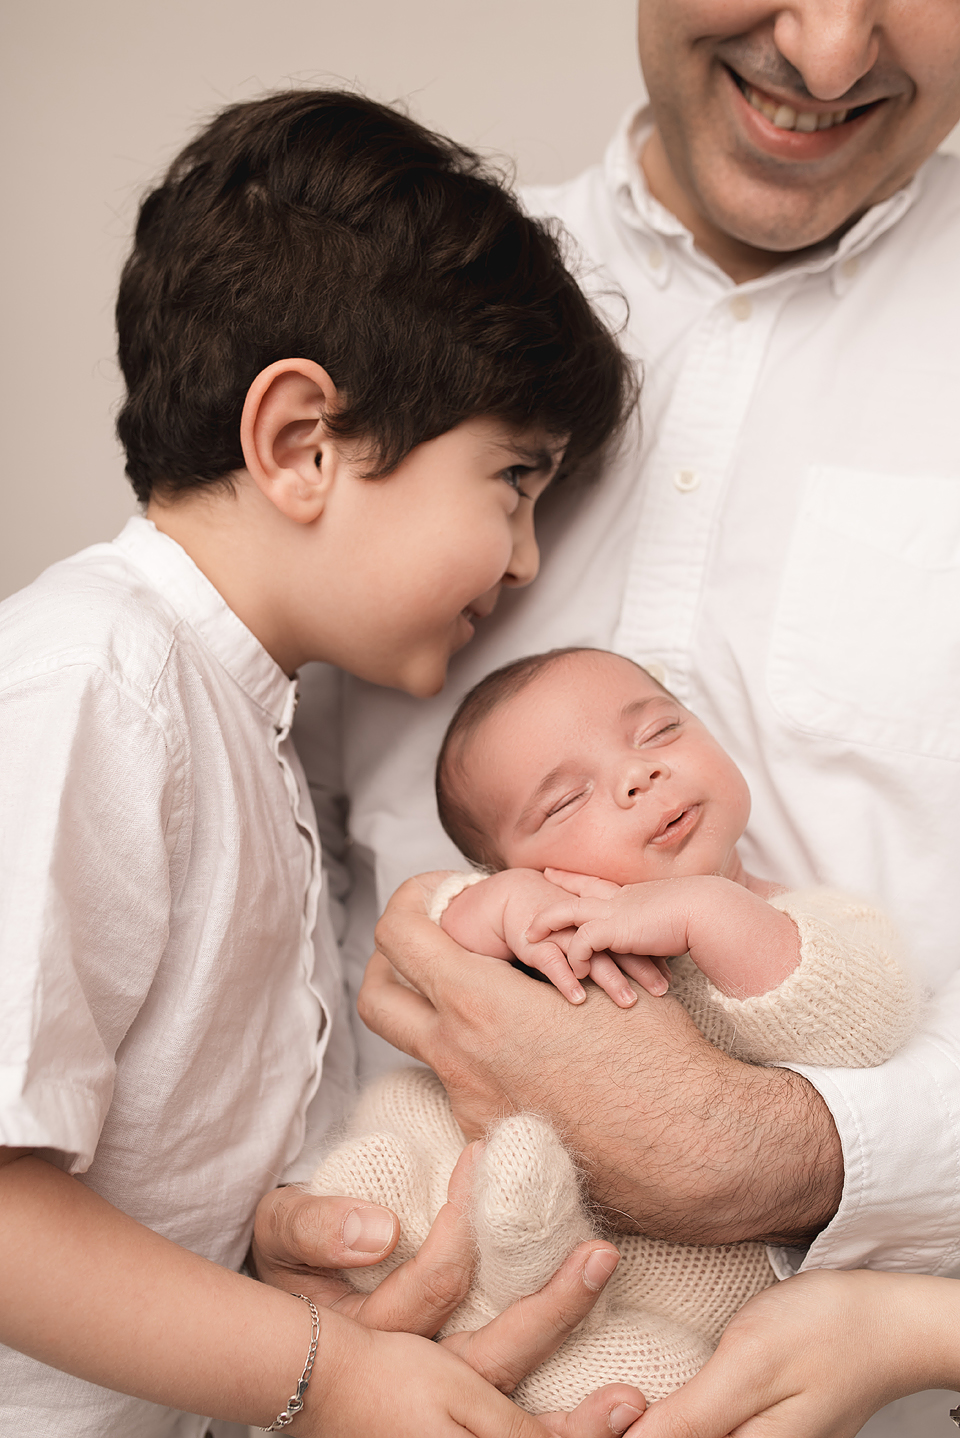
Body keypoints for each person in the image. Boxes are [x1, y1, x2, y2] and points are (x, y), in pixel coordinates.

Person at [291, 5, 960, 1434]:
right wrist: (284, 1304)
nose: (830, 53)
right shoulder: (391, 312)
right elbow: (233, 879)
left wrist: (802, 1157)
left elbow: (846, 988)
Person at [0, 88, 653, 1437]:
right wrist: (332, 1370)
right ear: (304, 444)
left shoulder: (248, 718)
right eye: (514, 481)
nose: (528, 559)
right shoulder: (95, 681)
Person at [306, 647, 918, 1411]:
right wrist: (499, 910)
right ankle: (481, 1265)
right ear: (513, 863)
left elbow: (861, 1017)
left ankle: (534, 1274)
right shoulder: (537, 912)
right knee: (379, 1165)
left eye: (661, 732)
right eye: (565, 802)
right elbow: (427, 931)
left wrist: (709, 911)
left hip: (658, 1272)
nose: (640, 776)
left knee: (645, 1384)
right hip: (459, 1194)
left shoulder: (798, 921)